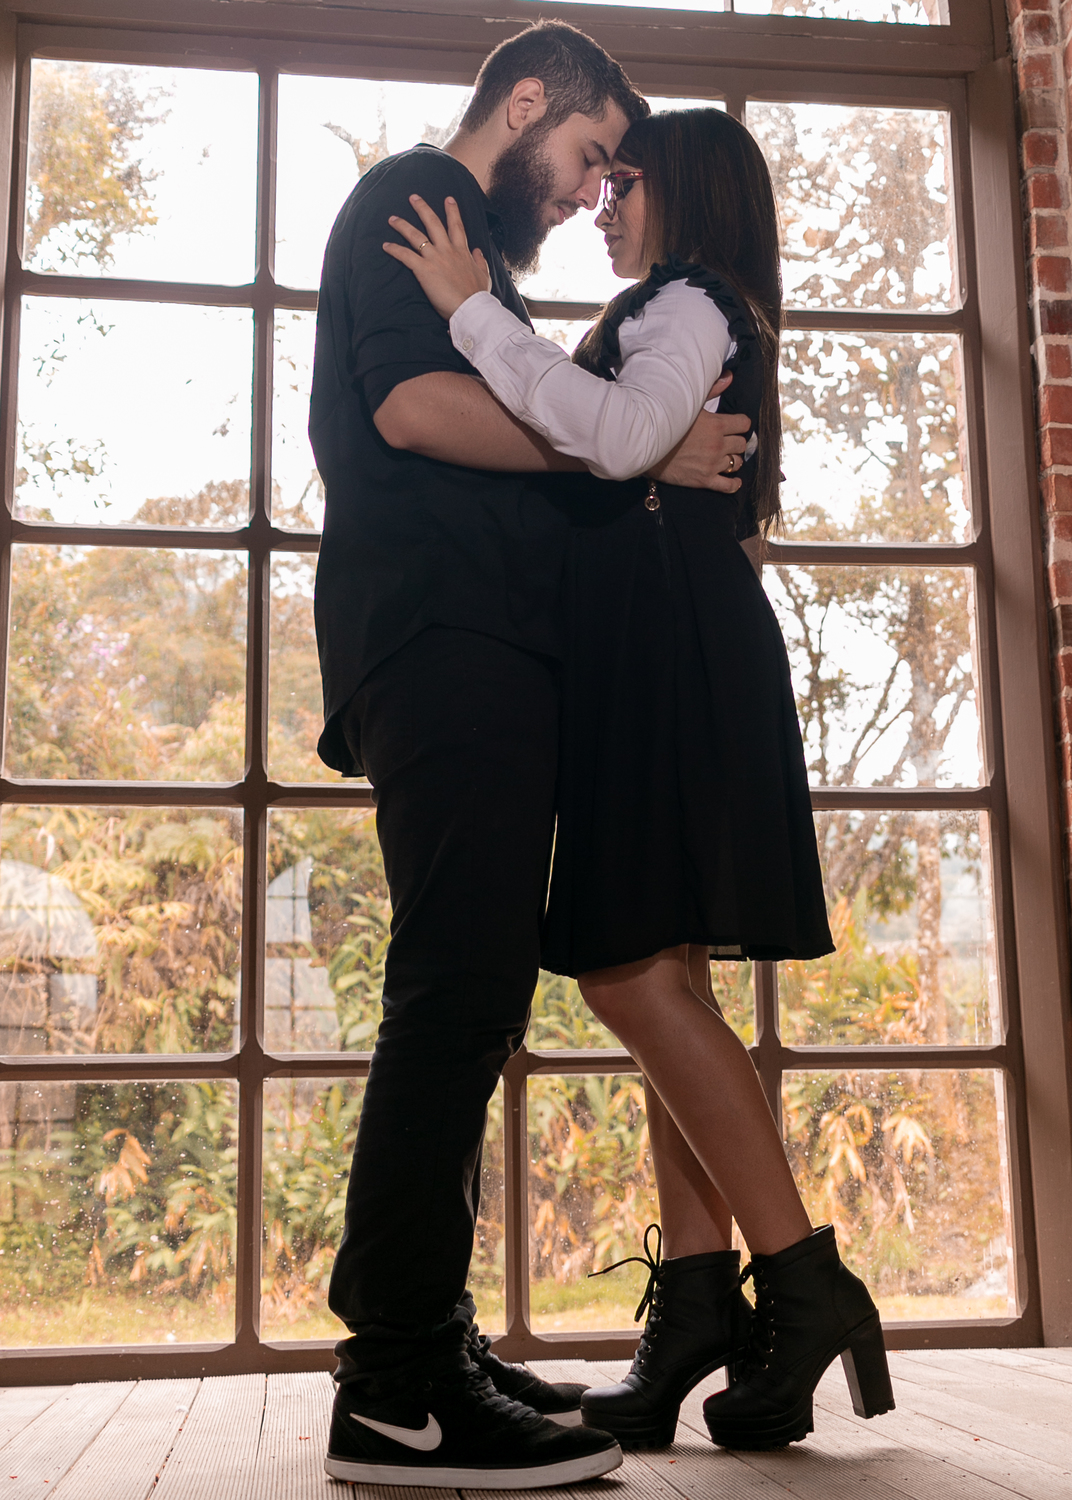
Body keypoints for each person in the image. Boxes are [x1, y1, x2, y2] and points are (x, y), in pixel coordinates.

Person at [383, 106, 897, 1456]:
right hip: (659, 656)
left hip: (672, 660)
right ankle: (698, 1311)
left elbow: (611, 438)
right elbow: (620, 445)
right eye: (600, 183)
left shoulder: (690, 305)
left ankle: (803, 1282)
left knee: (629, 979)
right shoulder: (675, 311)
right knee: (666, 982)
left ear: (688, 193)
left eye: (627, 184)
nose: (604, 206)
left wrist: (471, 309)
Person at [309, 21, 749, 1493]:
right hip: (445, 644)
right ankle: (395, 1385)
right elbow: (412, 407)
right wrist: (625, 447)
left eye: (612, 175)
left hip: (482, 652)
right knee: (455, 991)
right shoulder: (419, 198)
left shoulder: (480, 269)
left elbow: (505, 413)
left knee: (478, 995)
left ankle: (427, 1339)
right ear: (526, 101)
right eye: (587, 154)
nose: (589, 190)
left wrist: (632, 449)